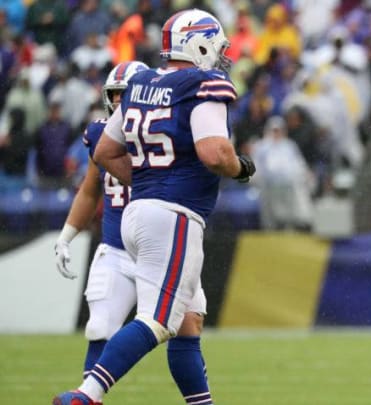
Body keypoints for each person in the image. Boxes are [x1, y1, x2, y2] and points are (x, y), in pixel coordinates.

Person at [53, 9, 256, 405]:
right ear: (198, 44)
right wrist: (242, 168)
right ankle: (85, 395)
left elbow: (107, 151)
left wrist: (147, 177)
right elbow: (214, 153)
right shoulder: (204, 84)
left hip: (139, 212)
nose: (219, 56)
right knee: (159, 320)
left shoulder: (141, 83)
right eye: (215, 46)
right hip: (174, 215)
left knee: (186, 323)